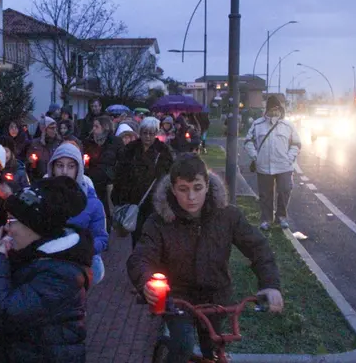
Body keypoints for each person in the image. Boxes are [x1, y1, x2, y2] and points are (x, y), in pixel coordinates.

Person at [127, 154, 283, 362]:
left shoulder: (228, 216)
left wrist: (270, 284)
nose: (191, 197)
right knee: (183, 345)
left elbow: (258, 248)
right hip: (178, 298)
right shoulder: (158, 222)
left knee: (214, 348)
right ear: (173, 189)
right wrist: (146, 281)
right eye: (183, 189)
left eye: (197, 188)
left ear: (207, 185)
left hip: (216, 296)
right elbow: (141, 257)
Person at [0, 177, 94, 363]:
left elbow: (7, 313)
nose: (7, 227)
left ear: (36, 226)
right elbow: (20, 306)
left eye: (12, 220)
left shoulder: (62, 274)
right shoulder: (30, 256)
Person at [48, 143, 109, 285]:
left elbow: (101, 238)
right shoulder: (42, 197)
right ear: (52, 168)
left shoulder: (92, 203)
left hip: (78, 268)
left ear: (78, 169)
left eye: (70, 166)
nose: (64, 171)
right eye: (59, 165)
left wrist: (82, 248)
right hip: (48, 267)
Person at [113, 117, 174, 248]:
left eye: (151, 133)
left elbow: (168, 177)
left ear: (156, 133)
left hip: (153, 202)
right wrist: (118, 198)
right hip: (133, 202)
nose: (147, 136)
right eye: (145, 132)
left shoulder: (163, 152)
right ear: (140, 133)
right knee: (136, 236)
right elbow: (120, 174)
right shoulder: (130, 149)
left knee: (152, 235)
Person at [245, 96, 301, 231]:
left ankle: (281, 217)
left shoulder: (288, 125)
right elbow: (248, 141)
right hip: (264, 166)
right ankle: (266, 219)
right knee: (265, 194)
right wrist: (255, 156)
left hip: (284, 166)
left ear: (281, 109)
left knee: (284, 190)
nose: (275, 111)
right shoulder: (257, 124)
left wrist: (290, 157)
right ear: (267, 109)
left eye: (277, 108)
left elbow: (297, 144)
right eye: (272, 108)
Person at [83, 115, 123, 233]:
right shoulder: (89, 141)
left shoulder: (115, 142)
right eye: (93, 126)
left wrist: (112, 174)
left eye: (97, 126)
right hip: (92, 181)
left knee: (106, 210)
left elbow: (122, 161)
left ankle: (105, 233)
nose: (94, 129)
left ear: (105, 127)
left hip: (108, 183)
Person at [26, 116, 62, 180]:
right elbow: (28, 164)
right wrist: (30, 162)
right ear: (44, 129)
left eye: (55, 128)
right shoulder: (35, 144)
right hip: (39, 179)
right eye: (52, 128)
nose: (55, 130)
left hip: (56, 180)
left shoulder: (59, 143)